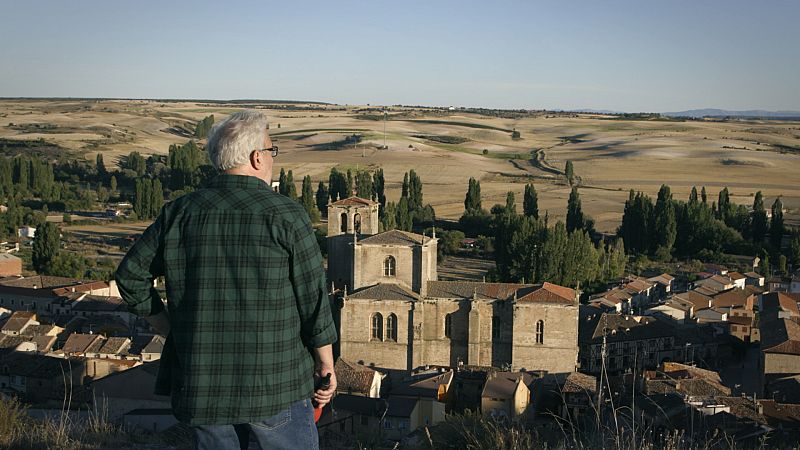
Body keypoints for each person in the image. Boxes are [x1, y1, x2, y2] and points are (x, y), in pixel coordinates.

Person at [115, 110, 337, 450]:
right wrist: (325, 362)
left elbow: (130, 277)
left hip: (204, 388)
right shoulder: (286, 215)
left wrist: (168, 328)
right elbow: (314, 300)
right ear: (256, 157)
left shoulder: (179, 213)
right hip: (275, 385)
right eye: (271, 150)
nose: (272, 159)